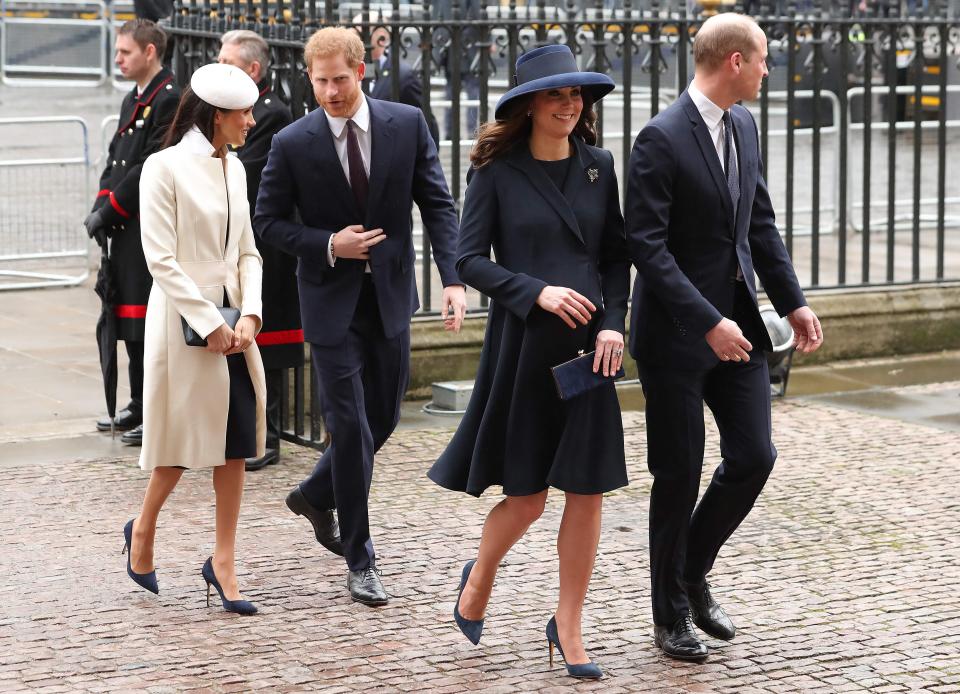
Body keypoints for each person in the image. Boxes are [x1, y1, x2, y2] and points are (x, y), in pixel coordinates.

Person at [625, 13, 824, 662]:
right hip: (679, 338)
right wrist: (706, 320)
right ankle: (670, 615)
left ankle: (693, 568)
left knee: (754, 456)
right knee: (677, 475)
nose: (770, 69)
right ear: (734, 61)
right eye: (764, 59)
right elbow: (647, 250)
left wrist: (792, 305)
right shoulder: (659, 138)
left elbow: (757, 225)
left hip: (740, 331)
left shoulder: (744, 122)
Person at [428, 45, 630, 680]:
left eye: (576, 96)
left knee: (589, 490)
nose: (570, 106)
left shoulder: (599, 166)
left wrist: (615, 324)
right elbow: (468, 260)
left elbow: (618, 259)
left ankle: (568, 624)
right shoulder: (495, 172)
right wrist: (534, 290)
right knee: (528, 498)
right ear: (528, 106)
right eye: (556, 96)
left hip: (591, 351)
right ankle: (480, 573)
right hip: (526, 351)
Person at [254, 27, 466, 607]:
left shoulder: (406, 124)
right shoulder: (294, 142)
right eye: (319, 82)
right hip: (328, 303)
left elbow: (438, 204)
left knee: (383, 420)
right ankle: (360, 556)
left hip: (391, 298)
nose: (330, 93)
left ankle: (315, 494)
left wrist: (452, 279)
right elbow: (267, 222)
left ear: (361, 71)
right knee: (348, 428)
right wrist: (329, 243)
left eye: (339, 80)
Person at [122, 63, 266, 616]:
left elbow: (248, 251)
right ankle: (143, 531)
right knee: (181, 447)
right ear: (215, 116)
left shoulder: (236, 169)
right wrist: (210, 323)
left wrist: (250, 314)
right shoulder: (162, 167)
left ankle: (223, 561)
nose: (252, 122)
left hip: (235, 321)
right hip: (184, 323)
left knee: (233, 445)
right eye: (243, 114)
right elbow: (160, 259)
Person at [85, 19, 179, 446]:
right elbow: (116, 158)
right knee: (127, 323)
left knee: (148, 327)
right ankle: (139, 402)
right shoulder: (132, 99)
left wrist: (112, 209)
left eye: (125, 52)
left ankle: (154, 409)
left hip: (147, 226)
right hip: (124, 228)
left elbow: (150, 166)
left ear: (150, 53)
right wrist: (100, 206)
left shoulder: (169, 99)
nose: (118, 59)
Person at [218, 30, 300, 472]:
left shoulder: (272, 112)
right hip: (237, 237)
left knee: (267, 340)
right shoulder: (230, 111)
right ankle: (247, 428)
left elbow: (245, 169)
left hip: (267, 239)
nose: (218, 67)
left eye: (228, 61)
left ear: (252, 69)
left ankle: (270, 434)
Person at [358, 14, 441, 148]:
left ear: (382, 37)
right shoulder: (353, 71)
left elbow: (426, 124)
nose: (356, 39)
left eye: (361, 33)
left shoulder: (403, 75)